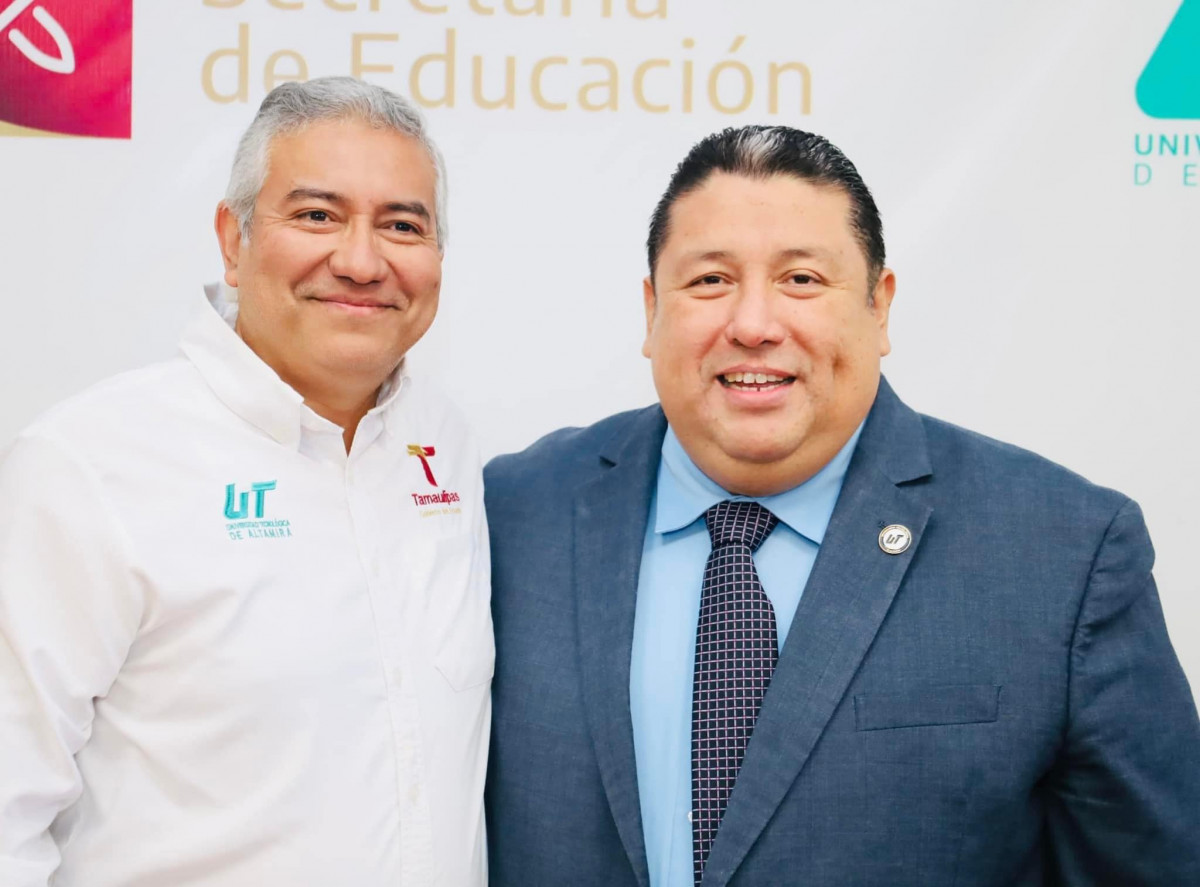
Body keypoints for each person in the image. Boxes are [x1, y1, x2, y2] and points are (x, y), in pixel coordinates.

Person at [484, 125, 1200, 887]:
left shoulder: (1064, 550)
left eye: (801, 279)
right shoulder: (512, 513)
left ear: (879, 307)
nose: (753, 324)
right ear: (652, 309)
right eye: (710, 280)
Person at [0, 77, 493, 887]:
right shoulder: (89, 464)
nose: (361, 260)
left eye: (403, 225)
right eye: (317, 215)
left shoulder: (445, 443)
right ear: (234, 241)